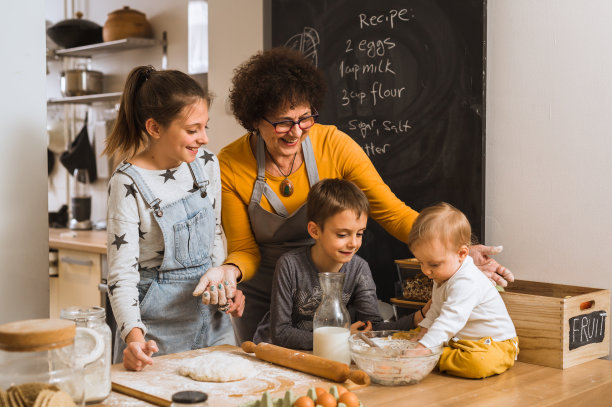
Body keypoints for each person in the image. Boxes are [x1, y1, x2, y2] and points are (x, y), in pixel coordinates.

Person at [216, 47, 514, 343]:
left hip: (326, 287)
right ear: (255, 119)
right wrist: (231, 270)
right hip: (263, 295)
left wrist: (455, 248)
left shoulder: (335, 145)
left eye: (305, 118)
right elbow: (245, 249)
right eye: (282, 122)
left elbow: (392, 212)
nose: (296, 132)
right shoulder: (230, 163)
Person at [103, 66, 245, 371]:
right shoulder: (126, 183)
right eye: (193, 130)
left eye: (205, 127)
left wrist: (225, 287)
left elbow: (215, 236)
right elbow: (121, 275)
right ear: (154, 128)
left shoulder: (206, 164)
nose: (204, 139)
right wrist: (134, 340)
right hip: (154, 334)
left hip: (213, 325)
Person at [253, 179, 430, 349]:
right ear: (315, 231)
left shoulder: (359, 269)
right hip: (275, 352)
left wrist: (419, 316)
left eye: (359, 234)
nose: (353, 243)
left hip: (323, 352)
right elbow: (280, 333)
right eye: (342, 234)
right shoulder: (289, 266)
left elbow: (373, 328)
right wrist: (342, 338)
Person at [407, 202, 519, 379]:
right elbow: (436, 310)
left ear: (461, 254)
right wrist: (423, 334)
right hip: (461, 340)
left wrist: (423, 349)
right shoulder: (442, 274)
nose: (426, 271)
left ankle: (435, 357)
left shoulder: (466, 281)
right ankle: (433, 350)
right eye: (421, 262)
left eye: (433, 264)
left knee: (478, 364)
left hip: (494, 345)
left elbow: (449, 319)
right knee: (407, 337)